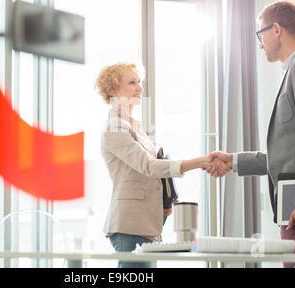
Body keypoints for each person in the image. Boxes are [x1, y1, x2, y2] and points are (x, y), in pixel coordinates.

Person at [208, 0, 295, 268]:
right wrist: (235, 160)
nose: (259, 42)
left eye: (260, 33)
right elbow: (288, 154)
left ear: (276, 28)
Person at [95, 61, 229, 268]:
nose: (139, 88)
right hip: (130, 224)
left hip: (145, 223)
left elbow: (151, 171)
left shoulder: (135, 127)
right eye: (132, 83)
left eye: (139, 82)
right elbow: (148, 166)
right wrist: (200, 161)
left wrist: (162, 199)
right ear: (112, 89)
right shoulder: (115, 128)